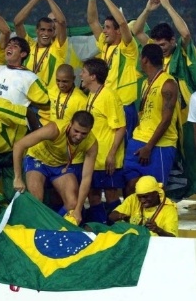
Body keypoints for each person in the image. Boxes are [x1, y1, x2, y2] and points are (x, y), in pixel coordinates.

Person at [132, 0, 196, 197]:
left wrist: (167, 6)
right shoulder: (155, 55)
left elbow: (186, 34)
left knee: (191, 156)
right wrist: (148, 10)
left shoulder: (181, 54)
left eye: (164, 45)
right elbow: (138, 31)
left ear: (172, 41)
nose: (160, 49)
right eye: (156, 45)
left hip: (184, 118)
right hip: (160, 119)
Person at [13, 110, 98, 225]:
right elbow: (19, 145)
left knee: (73, 204)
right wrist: (18, 178)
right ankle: (38, 227)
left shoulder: (91, 143)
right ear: (70, 124)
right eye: (76, 131)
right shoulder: (54, 129)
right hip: (38, 160)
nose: (78, 136)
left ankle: (53, 227)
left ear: (90, 130)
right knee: (36, 200)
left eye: (84, 133)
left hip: (60, 165)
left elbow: (86, 178)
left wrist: (78, 210)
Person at [87, 0, 139, 139]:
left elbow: (123, 23)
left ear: (118, 31)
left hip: (123, 105)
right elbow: (92, 21)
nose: (104, 31)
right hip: (105, 102)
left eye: (108, 28)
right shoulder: (105, 45)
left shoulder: (127, 48)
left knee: (124, 147)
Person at [123, 44, 179, 195]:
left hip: (159, 145)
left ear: (145, 60)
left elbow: (166, 119)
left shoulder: (168, 84)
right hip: (138, 139)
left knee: (155, 191)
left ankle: (155, 218)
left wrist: (149, 147)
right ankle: (131, 218)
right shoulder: (146, 83)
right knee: (130, 185)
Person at [80, 58, 126, 224]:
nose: (81, 75)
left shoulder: (109, 96)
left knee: (111, 193)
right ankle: (99, 228)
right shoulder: (91, 95)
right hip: (94, 158)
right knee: (93, 194)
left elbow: (121, 127)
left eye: (83, 72)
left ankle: (117, 230)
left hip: (107, 157)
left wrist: (112, 154)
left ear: (93, 76)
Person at [13, 0, 67, 88]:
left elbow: (62, 22)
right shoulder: (29, 45)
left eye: (49, 30)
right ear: (37, 30)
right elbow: (17, 22)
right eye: (42, 30)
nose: (46, 33)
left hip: (48, 101)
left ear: (53, 32)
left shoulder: (58, 48)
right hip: (28, 98)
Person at [0, 36, 49, 124]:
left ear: (23, 54)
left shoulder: (31, 78)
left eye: (15, 46)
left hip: (15, 128)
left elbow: (47, 103)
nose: (9, 47)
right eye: (8, 45)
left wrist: (28, 106)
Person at [109, 175, 178, 237]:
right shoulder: (133, 199)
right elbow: (112, 216)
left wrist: (157, 230)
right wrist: (122, 216)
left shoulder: (169, 209)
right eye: (140, 197)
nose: (142, 201)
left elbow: (172, 238)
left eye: (145, 197)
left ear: (156, 193)